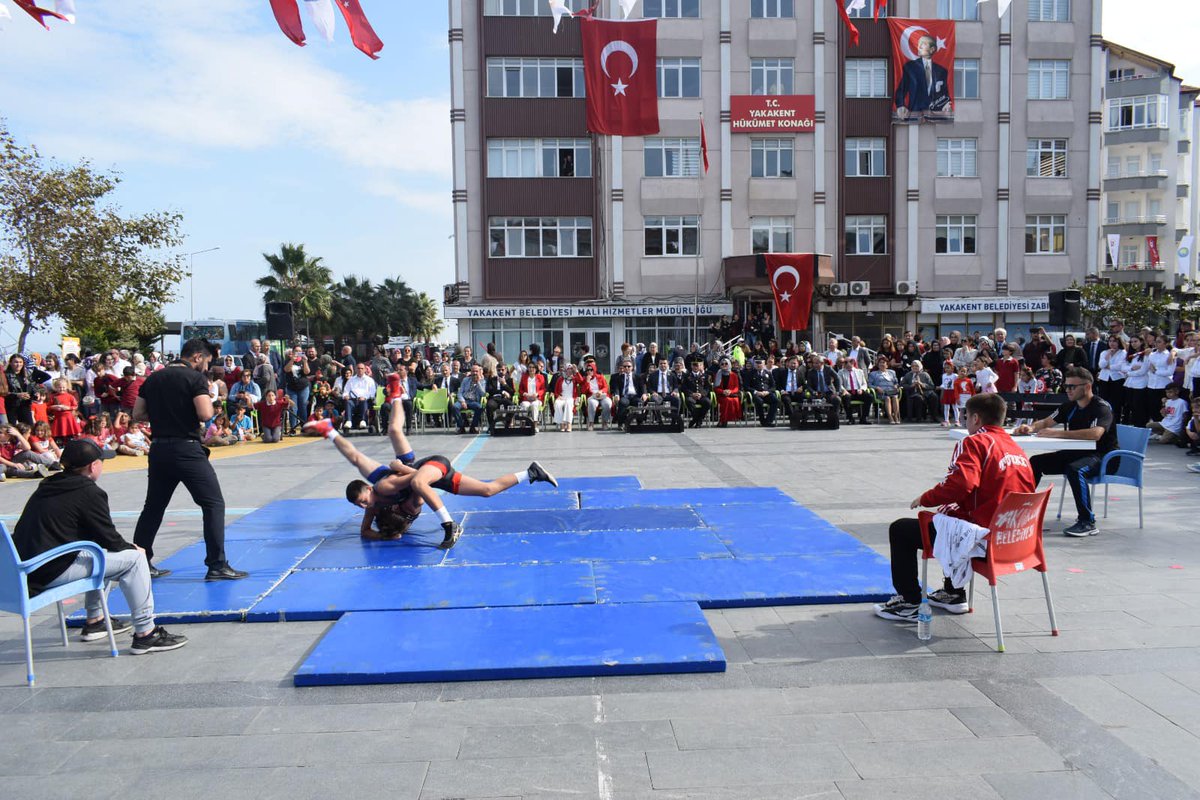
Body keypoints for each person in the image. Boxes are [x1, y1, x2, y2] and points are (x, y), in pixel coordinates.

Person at [11, 439, 188, 653]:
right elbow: (110, 539)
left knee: (97, 553)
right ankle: (145, 633)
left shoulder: (49, 485)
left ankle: (95, 621)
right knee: (134, 560)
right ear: (92, 466)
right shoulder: (88, 492)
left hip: (25, 569)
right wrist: (134, 548)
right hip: (49, 570)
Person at [304, 401, 558, 547]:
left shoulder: (382, 490)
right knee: (487, 490)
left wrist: (399, 468)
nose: (363, 506)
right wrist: (385, 535)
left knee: (409, 470)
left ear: (369, 490)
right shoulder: (374, 506)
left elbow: (409, 474)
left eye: (363, 501)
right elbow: (364, 532)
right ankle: (530, 472)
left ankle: (449, 525)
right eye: (360, 505)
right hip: (433, 476)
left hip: (428, 467)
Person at [875, 393, 1035, 622]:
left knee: (902, 529)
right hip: (1016, 539)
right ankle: (953, 592)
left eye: (966, 416)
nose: (965, 420)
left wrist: (926, 497)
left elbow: (962, 484)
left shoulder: (974, 442)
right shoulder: (1016, 449)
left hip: (983, 538)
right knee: (951, 516)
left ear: (976, 419)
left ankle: (908, 601)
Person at [132, 339, 247, 581]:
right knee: (213, 504)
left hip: (159, 450)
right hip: (186, 449)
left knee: (153, 507)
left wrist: (165, 411)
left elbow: (138, 414)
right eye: (206, 361)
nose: (206, 367)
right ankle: (217, 564)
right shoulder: (195, 379)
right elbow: (205, 413)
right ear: (196, 357)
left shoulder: (153, 378)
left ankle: (140, 562)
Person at [1014, 367, 1118, 538]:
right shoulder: (1069, 406)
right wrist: (1030, 427)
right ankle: (1021, 513)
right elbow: (1047, 421)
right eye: (1066, 386)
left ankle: (1087, 521)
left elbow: (1095, 434)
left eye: (1072, 387)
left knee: (1075, 469)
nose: (1068, 390)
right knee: (1036, 462)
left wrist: (1058, 433)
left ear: (1087, 387)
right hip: (1077, 453)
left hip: (1103, 457)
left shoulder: (1101, 407)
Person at [745, 356, 779, 427]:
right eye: (756, 363)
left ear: (764, 364)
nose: (758, 365)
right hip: (756, 394)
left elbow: (773, 386)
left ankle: (768, 421)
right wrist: (756, 392)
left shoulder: (768, 373)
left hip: (766, 393)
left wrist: (768, 392)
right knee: (759, 401)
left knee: (775, 401)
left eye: (760, 363)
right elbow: (746, 386)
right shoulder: (750, 373)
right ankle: (762, 421)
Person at [609, 359, 644, 427]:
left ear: (632, 367)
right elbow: (616, 388)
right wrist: (616, 395)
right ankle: (621, 423)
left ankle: (640, 422)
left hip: (635, 396)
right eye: (625, 366)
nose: (627, 368)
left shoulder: (638, 377)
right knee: (622, 403)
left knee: (640, 402)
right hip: (625, 396)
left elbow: (642, 387)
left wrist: (644, 393)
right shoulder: (619, 378)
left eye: (628, 366)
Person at [453, 364, 486, 434]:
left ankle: (473, 427)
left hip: (474, 401)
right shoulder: (465, 380)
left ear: (479, 372)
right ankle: (461, 427)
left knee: (480, 407)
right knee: (455, 407)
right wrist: (462, 401)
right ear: (470, 372)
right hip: (464, 399)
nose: (474, 373)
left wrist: (478, 383)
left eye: (476, 371)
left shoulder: (483, 381)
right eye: (473, 371)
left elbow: (483, 394)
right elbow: (460, 392)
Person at [580, 361, 612, 431]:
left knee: (608, 403)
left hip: (602, 395)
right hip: (592, 396)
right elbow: (583, 391)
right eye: (587, 370)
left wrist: (601, 391)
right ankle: (591, 423)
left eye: (591, 369)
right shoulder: (585, 379)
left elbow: (606, 387)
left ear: (594, 370)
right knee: (592, 403)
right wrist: (587, 382)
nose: (589, 371)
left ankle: (605, 422)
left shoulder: (600, 377)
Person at [681, 358, 713, 429]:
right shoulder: (686, 376)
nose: (695, 367)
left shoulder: (706, 376)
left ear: (700, 366)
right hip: (691, 396)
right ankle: (697, 419)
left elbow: (707, 388)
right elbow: (684, 388)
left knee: (707, 402)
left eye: (697, 365)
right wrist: (692, 394)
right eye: (694, 365)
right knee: (689, 401)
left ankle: (697, 420)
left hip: (701, 396)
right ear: (691, 366)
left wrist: (701, 394)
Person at [869, 355, 901, 425]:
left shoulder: (892, 372)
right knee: (887, 398)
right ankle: (890, 417)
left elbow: (896, 382)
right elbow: (869, 384)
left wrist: (896, 385)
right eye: (880, 363)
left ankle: (895, 416)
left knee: (895, 397)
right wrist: (876, 387)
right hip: (881, 392)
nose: (881, 364)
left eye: (883, 362)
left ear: (887, 364)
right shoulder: (873, 374)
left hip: (891, 391)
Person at [713, 357, 742, 427]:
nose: (724, 365)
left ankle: (727, 419)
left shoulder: (734, 375)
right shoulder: (718, 374)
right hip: (721, 395)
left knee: (734, 400)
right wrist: (723, 391)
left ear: (729, 364)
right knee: (727, 400)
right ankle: (723, 420)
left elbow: (736, 387)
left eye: (726, 364)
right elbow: (715, 388)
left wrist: (730, 392)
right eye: (722, 364)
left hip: (731, 394)